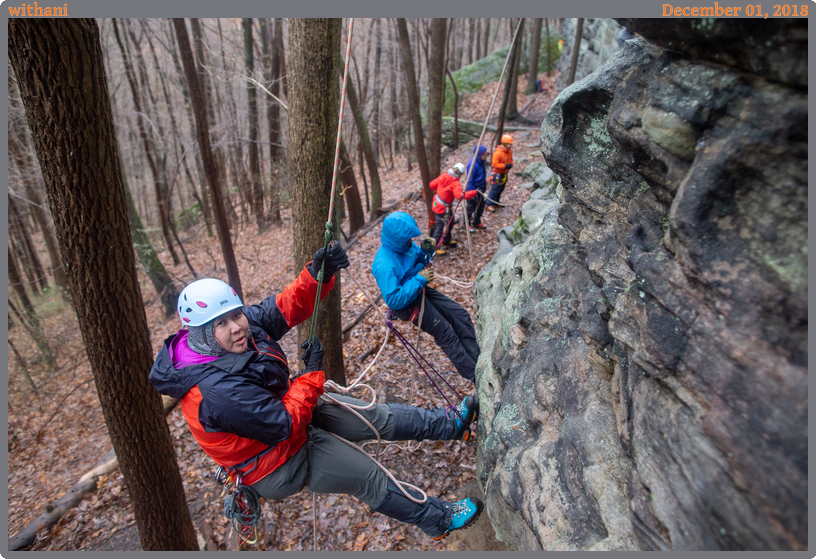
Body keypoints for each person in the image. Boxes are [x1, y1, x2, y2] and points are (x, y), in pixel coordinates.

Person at [149, 242, 483, 541]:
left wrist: (317, 275)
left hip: (291, 410)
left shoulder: (238, 330)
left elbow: (279, 310)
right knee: (366, 476)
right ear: (202, 335)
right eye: (221, 324)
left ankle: (451, 424)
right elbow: (281, 424)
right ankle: (437, 519)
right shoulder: (215, 393)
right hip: (278, 460)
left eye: (236, 315)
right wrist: (310, 375)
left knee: (373, 417)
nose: (236, 326)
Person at [372, 212, 481, 383]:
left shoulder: (405, 246)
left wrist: (425, 252)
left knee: (460, 314)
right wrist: (420, 278)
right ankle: (475, 375)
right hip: (408, 305)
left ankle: (478, 358)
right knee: (445, 333)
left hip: (420, 289)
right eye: (408, 239)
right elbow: (393, 299)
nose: (411, 242)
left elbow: (418, 261)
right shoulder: (384, 265)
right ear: (397, 239)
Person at [429, 163, 478, 256]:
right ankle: (434, 248)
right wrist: (473, 193)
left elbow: (432, 185)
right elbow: (460, 195)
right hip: (442, 207)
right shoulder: (454, 182)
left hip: (438, 203)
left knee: (450, 222)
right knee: (440, 228)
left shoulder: (443, 175)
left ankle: (446, 240)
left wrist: (442, 190)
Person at [485, 134, 514, 212]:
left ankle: (496, 201)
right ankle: (489, 203)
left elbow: (511, 160)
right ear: (504, 143)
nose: (510, 146)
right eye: (509, 144)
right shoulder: (498, 153)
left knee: (501, 189)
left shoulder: (509, 152)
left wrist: (510, 164)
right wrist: (505, 166)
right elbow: (494, 164)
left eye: (511, 144)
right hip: (498, 174)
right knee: (495, 189)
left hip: (504, 173)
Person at [465, 145, 489, 233]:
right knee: (470, 208)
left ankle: (476, 221)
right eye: (484, 154)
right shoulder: (472, 164)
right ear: (479, 155)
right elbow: (469, 180)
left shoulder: (482, 162)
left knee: (480, 206)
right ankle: (467, 223)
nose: (486, 156)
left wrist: (484, 186)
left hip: (480, 189)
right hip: (473, 190)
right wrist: (471, 193)